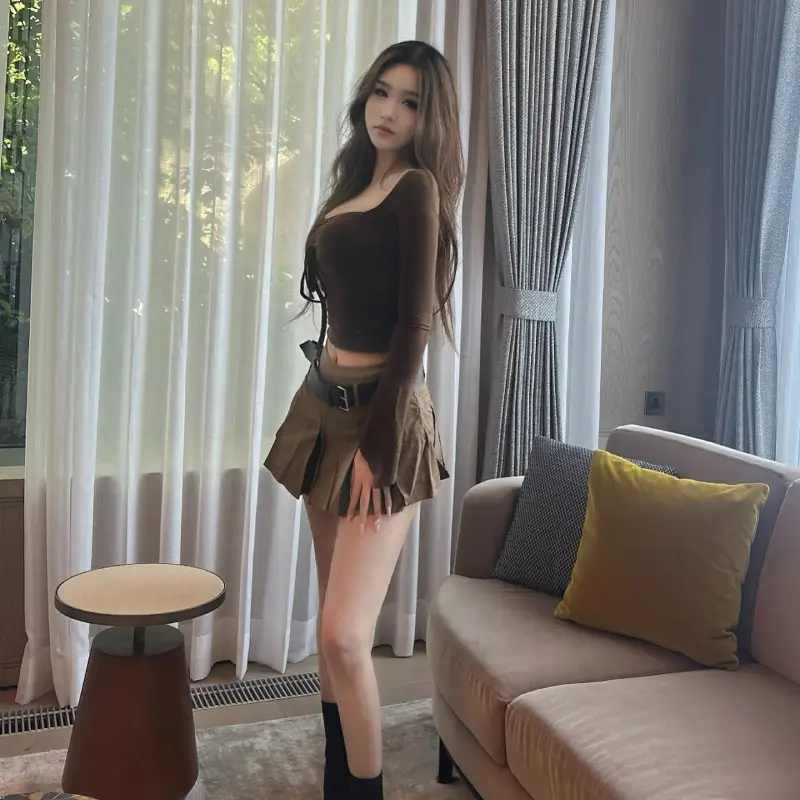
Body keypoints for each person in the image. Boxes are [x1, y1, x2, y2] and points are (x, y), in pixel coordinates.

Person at [264, 40, 464, 800]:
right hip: (323, 409)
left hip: (383, 421)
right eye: (382, 92)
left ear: (429, 118)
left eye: (410, 102)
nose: (390, 111)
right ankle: (336, 782)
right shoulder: (355, 182)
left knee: (346, 636)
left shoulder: (416, 188)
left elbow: (415, 326)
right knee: (330, 629)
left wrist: (377, 450)